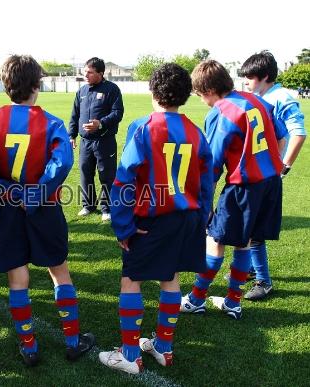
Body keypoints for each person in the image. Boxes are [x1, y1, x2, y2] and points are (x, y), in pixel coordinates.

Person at [0, 54, 95, 367]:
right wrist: (35, 192)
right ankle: (73, 341)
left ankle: (29, 346)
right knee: (59, 271)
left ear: (6, 85)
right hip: (44, 206)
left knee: (17, 279)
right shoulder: (51, 123)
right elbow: (62, 163)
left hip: (6, 206)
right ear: (38, 85)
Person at [98, 63, 213, 374]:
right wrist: (202, 217)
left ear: (152, 91)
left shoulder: (143, 127)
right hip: (186, 217)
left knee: (130, 280)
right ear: (187, 94)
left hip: (152, 219)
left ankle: (130, 354)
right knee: (171, 278)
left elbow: (124, 181)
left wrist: (122, 226)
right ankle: (163, 346)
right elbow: (206, 180)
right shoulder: (195, 130)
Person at [180, 60, 286, 320]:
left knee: (214, 240)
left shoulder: (221, 111)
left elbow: (211, 166)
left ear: (207, 90)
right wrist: (270, 166)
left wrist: (205, 207)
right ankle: (233, 302)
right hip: (271, 183)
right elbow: (282, 136)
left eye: (199, 94)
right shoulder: (258, 100)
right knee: (245, 242)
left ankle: (196, 299)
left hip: (244, 187)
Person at [239, 51, 306, 300]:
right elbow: (278, 136)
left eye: (250, 77)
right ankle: (248, 270)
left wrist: (283, 167)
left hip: (267, 177)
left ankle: (263, 282)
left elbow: (298, 133)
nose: (246, 81)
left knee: (255, 229)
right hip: (259, 173)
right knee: (247, 226)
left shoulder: (280, 97)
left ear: (265, 76)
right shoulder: (263, 97)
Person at [68, 57, 124, 221]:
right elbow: (74, 115)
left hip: (104, 141)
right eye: (85, 71)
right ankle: (88, 205)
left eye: (90, 72)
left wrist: (100, 124)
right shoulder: (82, 91)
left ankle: (107, 208)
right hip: (85, 142)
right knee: (86, 173)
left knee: (106, 175)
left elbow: (117, 113)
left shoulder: (112, 89)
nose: (85, 75)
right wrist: (72, 135)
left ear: (100, 73)